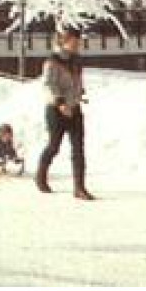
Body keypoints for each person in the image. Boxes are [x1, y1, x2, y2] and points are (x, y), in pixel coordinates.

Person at [36, 27, 92, 200]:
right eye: (74, 42)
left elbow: (76, 81)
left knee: (78, 148)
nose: (77, 45)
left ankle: (79, 187)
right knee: (54, 146)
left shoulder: (77, 61)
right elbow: (48, 84)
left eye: (79, 42)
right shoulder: (53, 61)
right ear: (64, 42)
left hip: (74, 108)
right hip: (56, 109)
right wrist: (60, 103)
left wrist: (79, 92)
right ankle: (40, 175)